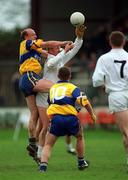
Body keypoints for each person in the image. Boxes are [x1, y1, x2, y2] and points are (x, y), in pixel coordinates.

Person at [18, 28, 70, 162]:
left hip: (26, 80)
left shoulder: (33, 49)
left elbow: (49, 54)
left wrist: (65, 51)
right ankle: (72, 102)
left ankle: (32, 145)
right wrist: (63, 43)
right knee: (57, 87)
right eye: (33, 33)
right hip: (29, 76)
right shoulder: (27, 43)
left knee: (34, 114)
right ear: (26, 36)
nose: (35, 35)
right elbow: (48, 44)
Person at [35, 25, 86, 160]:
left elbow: (76, 48)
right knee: (45, 126)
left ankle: (40, 154)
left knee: (45, 126)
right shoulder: (49, 60)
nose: (60, 48)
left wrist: (79, 37)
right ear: (51, 49)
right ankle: (39, 155)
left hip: (55, 96)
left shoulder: (61, 58)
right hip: (44, 95)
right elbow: (52, 64)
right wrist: (64, 52)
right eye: (57, 47)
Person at [39, 66, 96, 172]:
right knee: (79, 136)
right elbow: (84, 101)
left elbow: (50, 103)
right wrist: (92, 114)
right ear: (70, 76)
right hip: (70, 118)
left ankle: (43, 167)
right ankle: (81, 162)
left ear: (58, 76)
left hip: (56, 118)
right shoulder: (73, 88)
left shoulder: (53, 88)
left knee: (48, 144)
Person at [92, 31, 128, 166]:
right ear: (123, 42)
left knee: (125, 131)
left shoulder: (104, 58)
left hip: (117, 95)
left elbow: (96, 80)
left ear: (110, 42)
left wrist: (104, 84)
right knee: (125, 133)